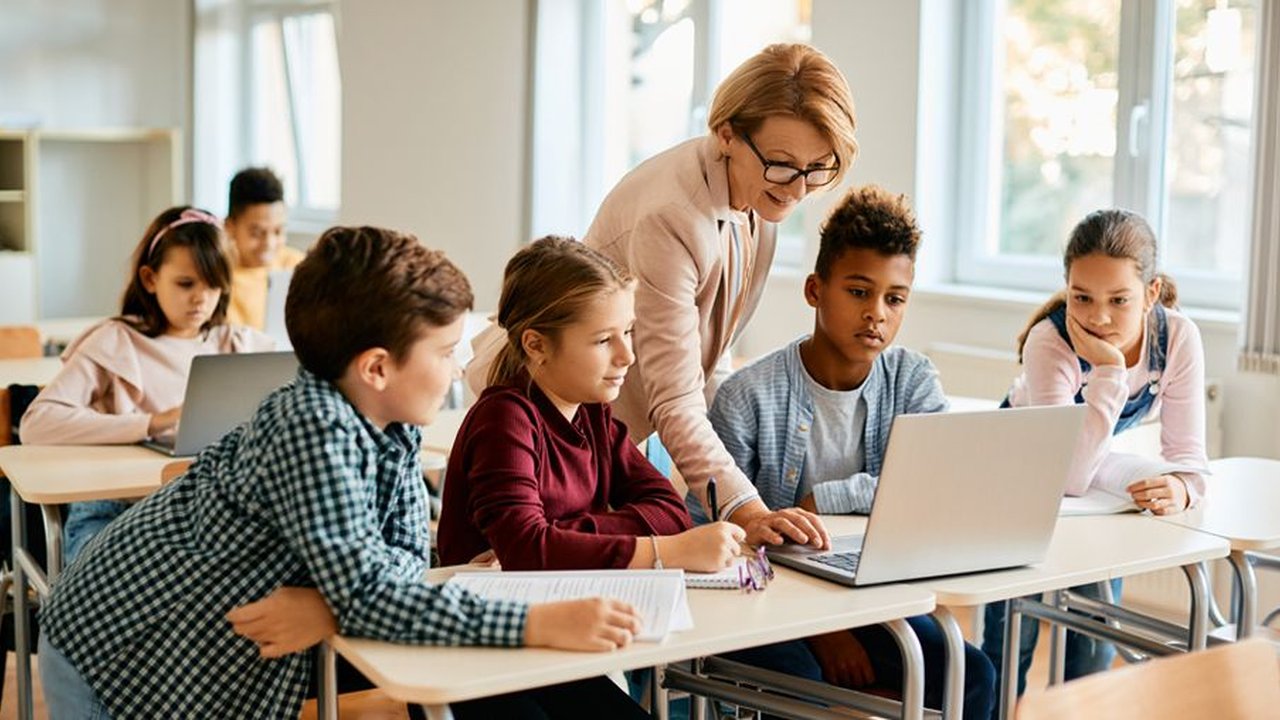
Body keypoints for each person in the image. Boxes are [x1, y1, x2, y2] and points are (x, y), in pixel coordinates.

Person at [35, 226, 648, 719]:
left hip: (209, 654)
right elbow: (381, 591)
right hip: (118, 653)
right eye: (443, 352)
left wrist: (342, 606)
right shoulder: (313, 426)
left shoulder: (395, 422)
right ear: (377, 367)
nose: (457, 367)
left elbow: (405, 564)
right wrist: (539, 620)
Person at [706, 185, 996, 720]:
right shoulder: (746, 397)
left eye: (895, 298)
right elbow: (727, 538)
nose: (877, 315)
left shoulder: (912, 380)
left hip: (872, 595)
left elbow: (931, 489)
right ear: (816, 289)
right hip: (770, 603)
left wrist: (825, 499)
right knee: (805, 681)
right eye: (859, 292)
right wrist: (827, 632)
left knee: (971, 672)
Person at [569, 42, 863, 550]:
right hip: (556, 425)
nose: (797, 189)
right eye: (783, 164)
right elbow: (676, 396)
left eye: (819, 168)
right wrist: (745, 507)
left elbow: (711, 352)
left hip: (615, 427)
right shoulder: (673, 216)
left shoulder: (757, 197)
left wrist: (743, 487)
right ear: (727, 133)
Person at [981, 208, 1208, 701]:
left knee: (1094, 639)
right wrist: (1108, 369)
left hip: (1084, 475)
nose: (1098, 317)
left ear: (1151, 293)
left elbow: (1189, 458)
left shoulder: (1178, 339)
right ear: (1066, 285)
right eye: (1081, 296)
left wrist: (1182, 487)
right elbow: (1068, 473)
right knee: (1009, 645)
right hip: (1020, 472)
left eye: (1119, 300)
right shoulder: (1051, 341)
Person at [438, 236, 744, 572]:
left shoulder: (592, 415)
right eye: (603, 340)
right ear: (536, 345)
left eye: (628, 332)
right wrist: (664, 552)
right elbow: (525, 549)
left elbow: (671, 513)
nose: (627, 356)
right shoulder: (504, 419)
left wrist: (557, 540)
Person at [20, 205, 274, 563]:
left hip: (203, 512)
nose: (201, 298)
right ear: (150, 279)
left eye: (214, 285)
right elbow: (36, 424)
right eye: (186, 284)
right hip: (115, 511)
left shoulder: (240, 344)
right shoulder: (113, 341)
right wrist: (152, 422)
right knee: (132, 587)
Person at [223, 166, 305, 329]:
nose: (269, 244)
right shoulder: (219, 278)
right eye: (257, 233)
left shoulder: (298, 266)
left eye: (278, 231)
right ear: (230, 227)